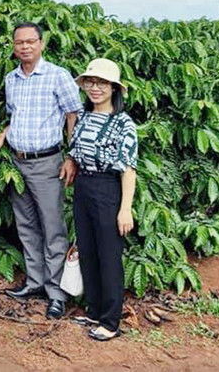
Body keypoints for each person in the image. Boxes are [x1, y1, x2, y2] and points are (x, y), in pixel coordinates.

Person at [0, 22, 82, 319]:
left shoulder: (58, 76)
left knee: (53, 228)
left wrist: (72, 157)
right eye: (20, 42)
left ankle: (56, 293)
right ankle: (34, 283)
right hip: (17, 162)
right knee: (27, 226)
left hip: (47, 163)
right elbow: (15, 116)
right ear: (14, 46)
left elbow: (73, 116)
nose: (25, 47)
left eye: (31, 41)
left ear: (41, 44)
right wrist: (5, 134)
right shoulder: (11, 79)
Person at [67, 58, 137, 341]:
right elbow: (75, 149)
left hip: (109, 191)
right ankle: (94, 310)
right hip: (83, 188)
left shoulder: (123, 123)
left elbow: (129, 169)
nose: (95, 88)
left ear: (114, 89)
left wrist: (125, 209)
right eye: (91, 82)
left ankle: (110, 321)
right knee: (88, 250)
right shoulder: (83, 117)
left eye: (102, 83)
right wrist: (71, 160)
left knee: (109, 257)